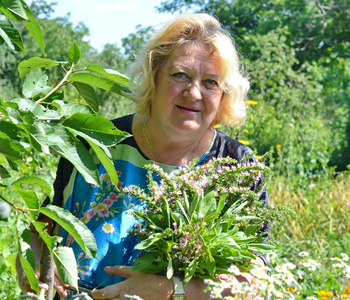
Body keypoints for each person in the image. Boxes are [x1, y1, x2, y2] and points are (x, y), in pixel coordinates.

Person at [17, 13, 268, 299]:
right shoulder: (95, 144)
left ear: (224, 94)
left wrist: (171, 290)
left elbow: (255, 282)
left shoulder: (238, 167)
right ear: (154, 75)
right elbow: (39, 231)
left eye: (211, 82)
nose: (194, 92)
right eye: (180, 75)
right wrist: (32, 266)